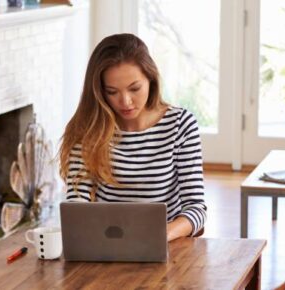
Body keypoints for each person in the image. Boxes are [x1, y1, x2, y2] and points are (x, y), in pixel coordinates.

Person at [58, 33, 206, 242]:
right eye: (112, 92)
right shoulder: (89, 130)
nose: (125, 101)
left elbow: (196, 208)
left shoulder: (180, 124)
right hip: (106, 245)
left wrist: (160, 235)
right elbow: (77, 203)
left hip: (165, 247)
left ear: (151, 79)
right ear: (100, 91)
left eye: (134, 88)